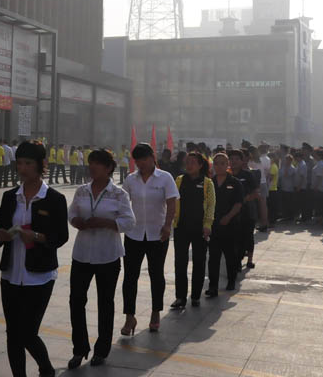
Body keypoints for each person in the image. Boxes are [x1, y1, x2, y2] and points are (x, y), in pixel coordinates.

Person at [0, 141, 68, 377]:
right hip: (11, 275)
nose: (22, 169)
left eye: (28, 163)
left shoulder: (54, 199)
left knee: (27, 332)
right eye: (19, 163)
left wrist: (36, 236)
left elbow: (61, 237)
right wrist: (2, 235)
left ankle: (46, 369)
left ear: (41, 164)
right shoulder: (10, 197)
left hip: (39, 275)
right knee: (12, 333)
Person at [66, 149, 135, 369]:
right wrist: (76, 221)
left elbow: (129, 221)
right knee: (76, 301)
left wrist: (107, 223)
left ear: (108, 168)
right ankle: (79, 349)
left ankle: (101, 350)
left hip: (108, 255)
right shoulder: (82, 190)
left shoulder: (119, 194)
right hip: (82, 254)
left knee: (105, 302)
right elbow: (71, 213)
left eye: (97, 163)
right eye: (91, 163)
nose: (92, 167)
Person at [121, 143, 178, 334]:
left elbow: (172, 203)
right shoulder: (131, 179)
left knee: (156, 274)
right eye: (138, 160)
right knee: (130, 276)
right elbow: (123, 203)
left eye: (144, 159)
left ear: (152, 158)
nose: (141, 163)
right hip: (133, 234)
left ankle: (155, 312)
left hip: (157, 234)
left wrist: (168, 225)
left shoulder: (165, 178)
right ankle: (129, 317)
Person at [171, 152, 215, 309]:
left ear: (200, 165)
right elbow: (173, 200)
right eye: (187, 162)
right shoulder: (179, 180)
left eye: (193, 162)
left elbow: (211, 205)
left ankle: (195, 296)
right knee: (180, 263)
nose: (189, 165)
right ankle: (180, 297)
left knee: (199, 262)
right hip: (181, 227)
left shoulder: (207, 183)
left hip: (200, 228)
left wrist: (208, 225)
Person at [206, 153, 243, 297]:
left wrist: (228, 217)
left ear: (227, 165)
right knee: (213, 257)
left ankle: (231, 281)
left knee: (230, 255)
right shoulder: (209, 183)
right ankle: (213, 287)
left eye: (222, 163)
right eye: (216, 163)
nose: (219, 166)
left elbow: (238, 204)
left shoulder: (235, 182)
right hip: (214, 226)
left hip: (230, 225)